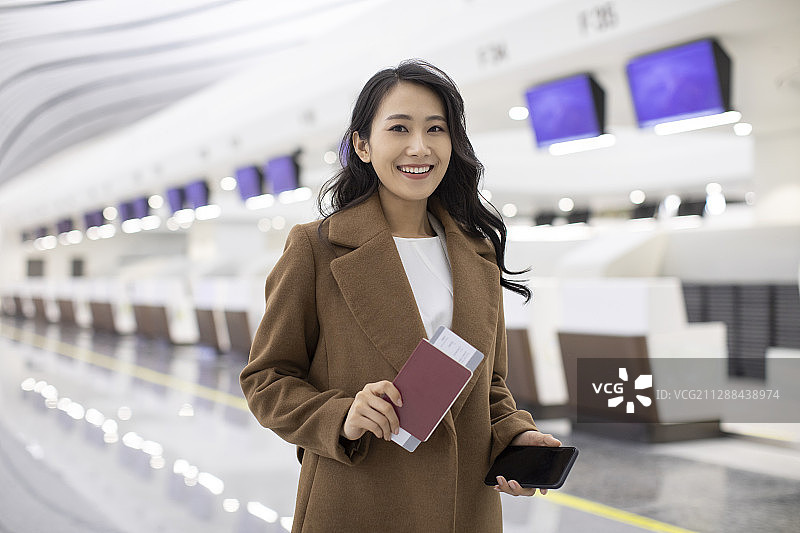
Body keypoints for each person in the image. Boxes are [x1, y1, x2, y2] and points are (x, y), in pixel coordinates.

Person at [240, 59, 561, 533]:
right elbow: (266, 379)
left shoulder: (477, 252)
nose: (420, 147)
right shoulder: (317, 249)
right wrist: (342, 414)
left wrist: (516, 435)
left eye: (436, 129)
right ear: (362, 145)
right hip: (359, 503)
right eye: (399, 128)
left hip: (464, 511)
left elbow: (487, 386)